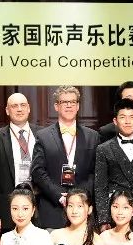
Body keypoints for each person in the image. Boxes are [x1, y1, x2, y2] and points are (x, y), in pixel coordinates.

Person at [32, 87, 100, 230]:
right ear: (56, 106)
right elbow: (38, 171)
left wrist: (78, 196)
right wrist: (59, 195)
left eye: (73, 102)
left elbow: (95, 172)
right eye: (64, 102)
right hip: (52, 209)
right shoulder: (43, 136)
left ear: (78, 106)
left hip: (82, 209)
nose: (69, 105)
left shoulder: (93, 136)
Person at [94, 99, 133, 231]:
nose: (127, 121)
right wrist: (103, 220)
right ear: (115, 121)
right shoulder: (103, 149)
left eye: (132, 117)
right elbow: (100, 187)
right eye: (123, 117)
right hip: (116, 214)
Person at [0, 93, 39, 234]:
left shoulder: (42, 133)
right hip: (7, 211)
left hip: (39, 208)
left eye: (23, 105)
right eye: (14, 106)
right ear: (7, 110)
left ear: (29, 108)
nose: (19, 109)